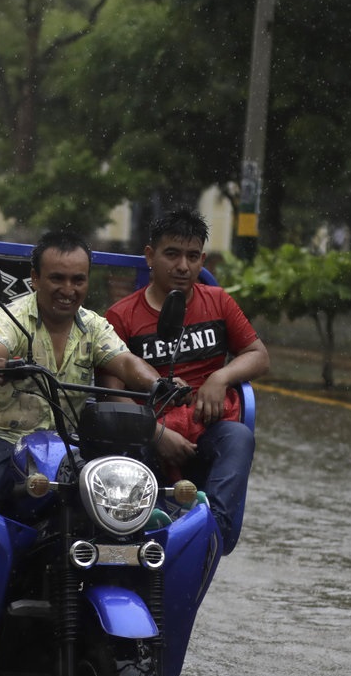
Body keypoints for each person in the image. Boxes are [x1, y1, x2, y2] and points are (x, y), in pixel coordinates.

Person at [0, 230, 175, 511]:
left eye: (77, 280)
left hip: (62, 441)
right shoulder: (11, 317)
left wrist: (158, 383)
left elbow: (125, 361)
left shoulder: (93, 326)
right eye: (57, 278)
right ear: (35, 279)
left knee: (115, 482)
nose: (68, 290)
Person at [104, 209, 269, 551]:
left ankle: (212, 535)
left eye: (193, 257)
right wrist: (156, 433)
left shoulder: (218, 301)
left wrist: (221, 376)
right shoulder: (122, 316)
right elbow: (110, 394)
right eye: (172, 254)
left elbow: (258, 355)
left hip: (207, 430)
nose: (183, 266)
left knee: (239, 437)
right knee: (130, 446)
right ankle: (145, 525)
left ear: (202, 259)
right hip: (147, 436)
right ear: (150, 256)